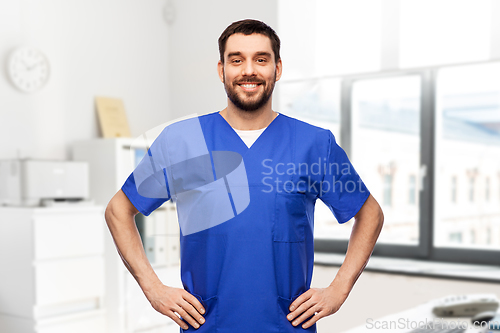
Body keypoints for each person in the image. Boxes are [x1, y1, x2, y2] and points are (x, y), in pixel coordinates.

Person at [105, 19, 384, 332]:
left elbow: (370, 213)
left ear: (277, 69)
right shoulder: (181, 141)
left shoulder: (314, 144)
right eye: (236, 60)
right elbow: (118, 210)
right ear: (221, 70)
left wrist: (338, 290)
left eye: (261, 60)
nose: (248, 70)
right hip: (208, 326)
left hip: (286, 326)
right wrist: (153, 289)